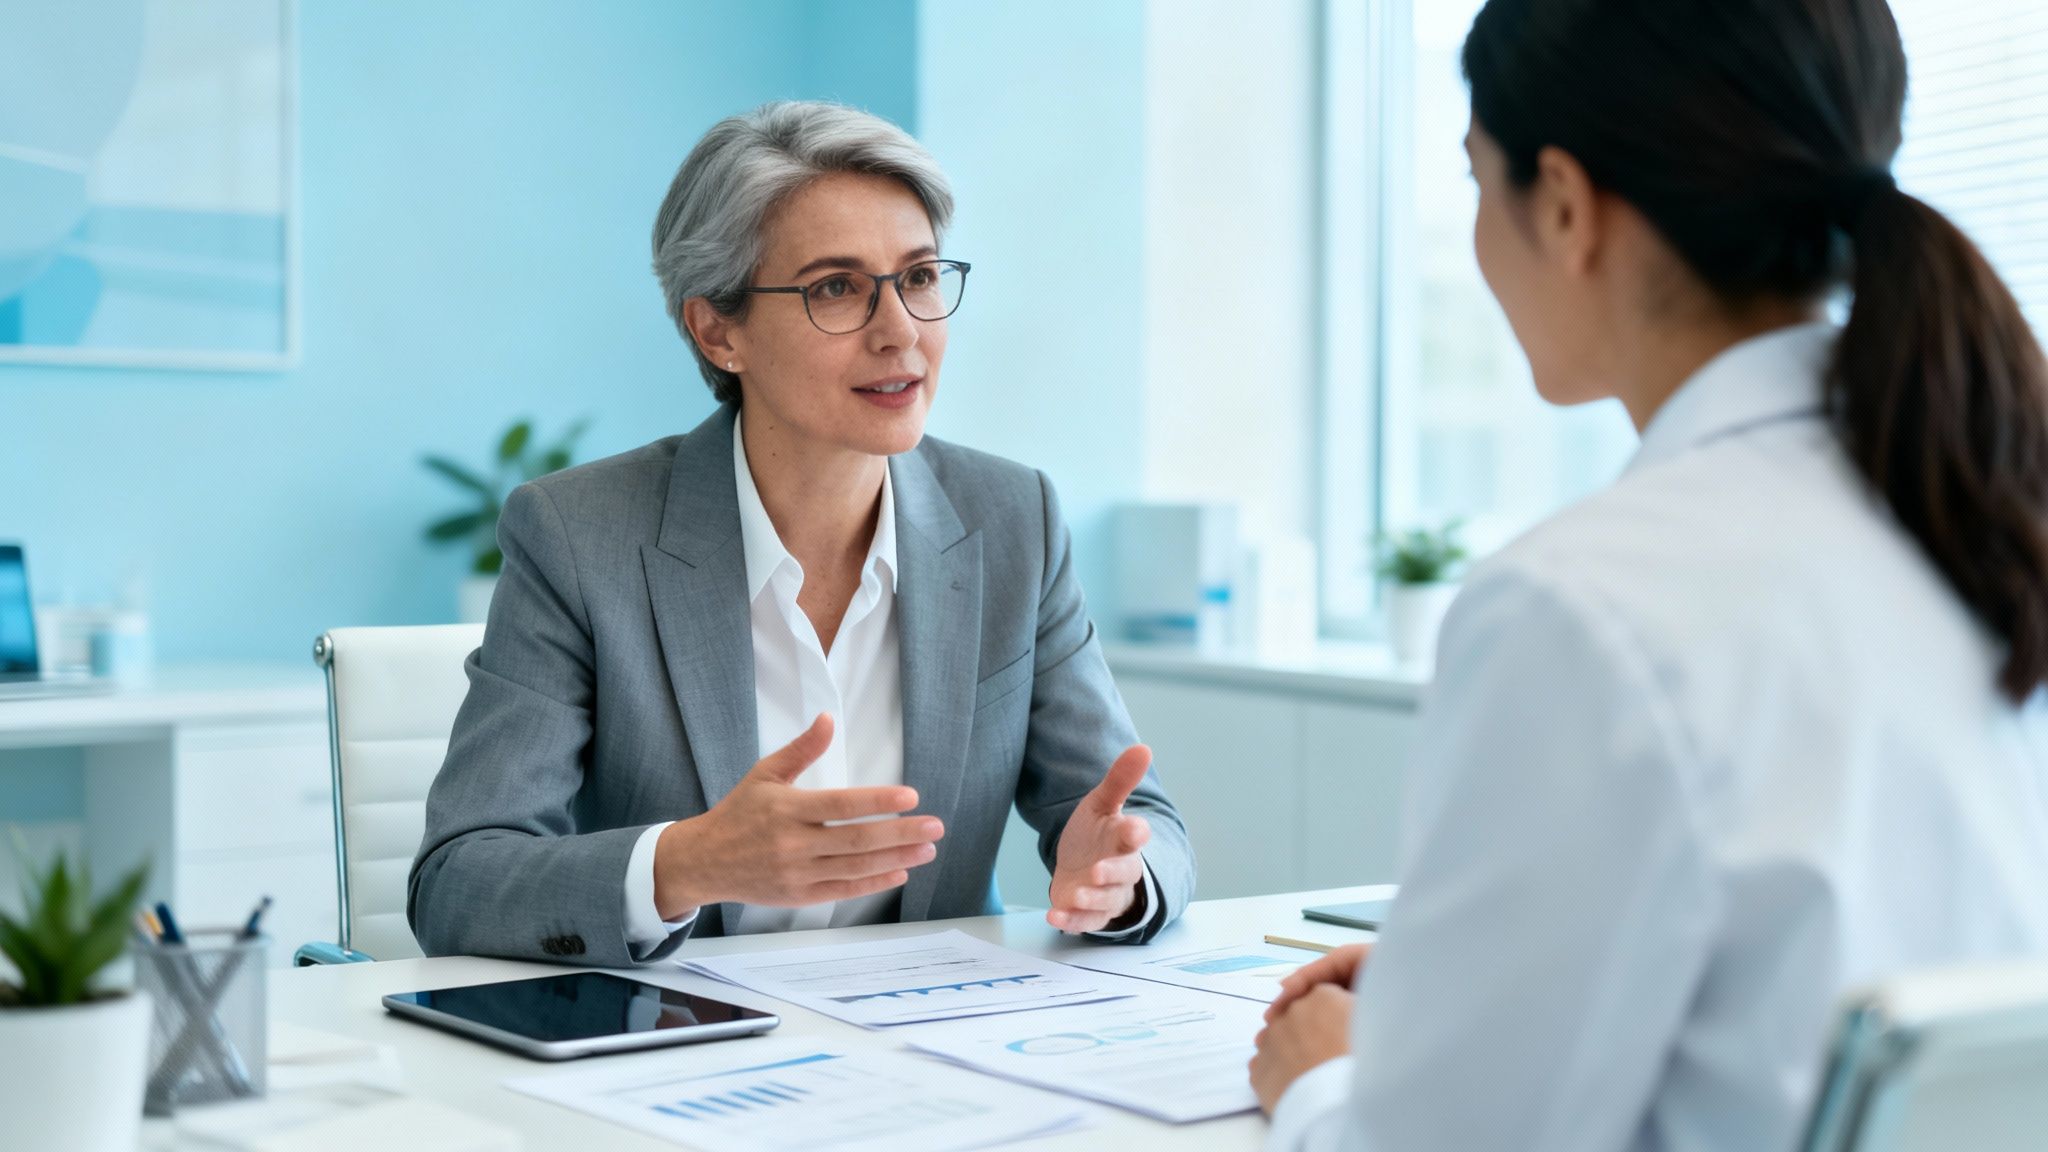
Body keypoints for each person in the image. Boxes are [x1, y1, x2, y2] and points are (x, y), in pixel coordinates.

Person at [1251, 1, 2048, 1148]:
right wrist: (1468, 989)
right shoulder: (1975, 518)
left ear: (1566, 207)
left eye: (1478, 180)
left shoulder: (1580, 606)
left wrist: (1326, 1083)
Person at [409, 101, 1195, 967]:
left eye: (922, 277)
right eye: (837, 288)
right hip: (675, 1046)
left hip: (929, 1037)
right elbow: (457, 880)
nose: (901, 331)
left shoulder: (1014, 520)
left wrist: (1123, 876)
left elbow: (1138, 821)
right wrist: (686, 863)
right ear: (718, 329)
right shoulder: (580, 537)